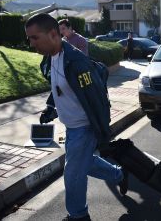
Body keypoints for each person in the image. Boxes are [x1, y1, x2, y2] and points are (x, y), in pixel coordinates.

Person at [25, 13, 128, 221]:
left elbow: (96, 99)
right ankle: (119, 174)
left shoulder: (76, 62)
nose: (30, 43)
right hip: (71, 127)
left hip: (84, 127)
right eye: (29, 38)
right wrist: (51, 109)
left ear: (53, 34)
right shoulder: (51, 58)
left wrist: (102, 132)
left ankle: (78, 215)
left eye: (34, 37)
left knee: (72, 174)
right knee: (86, 163)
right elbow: (60, 88)